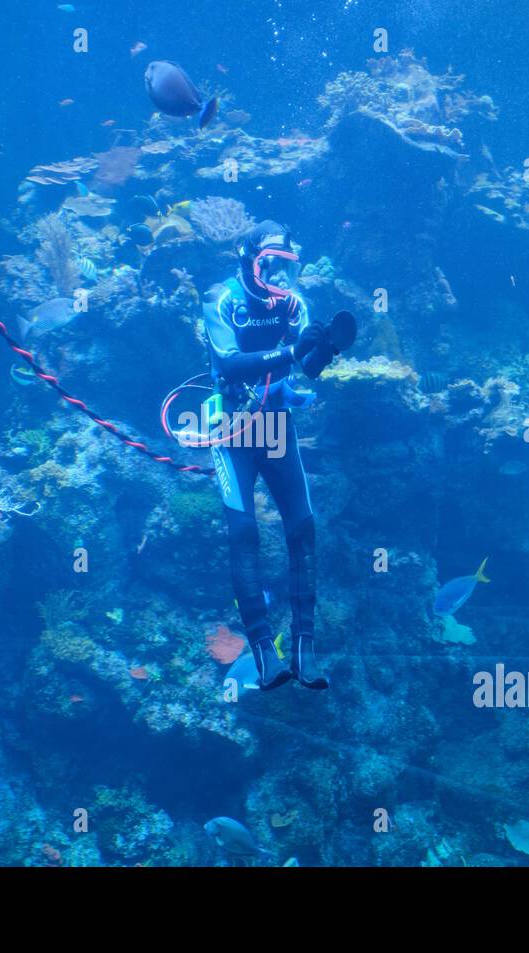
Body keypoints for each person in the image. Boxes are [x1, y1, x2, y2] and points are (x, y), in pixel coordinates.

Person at [203, 220, 338, 691]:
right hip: (229, 424)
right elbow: (229, 363)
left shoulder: (295, 305)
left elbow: (310, 365)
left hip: (275, 425)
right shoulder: (222, 300)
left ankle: (305, 645)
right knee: (243, 533)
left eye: (287, 267)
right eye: (270, 266)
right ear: (249, 262)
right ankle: (262, 649)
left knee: (302, 527)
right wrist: (291, 352)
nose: (280, 277)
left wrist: (326, 350)